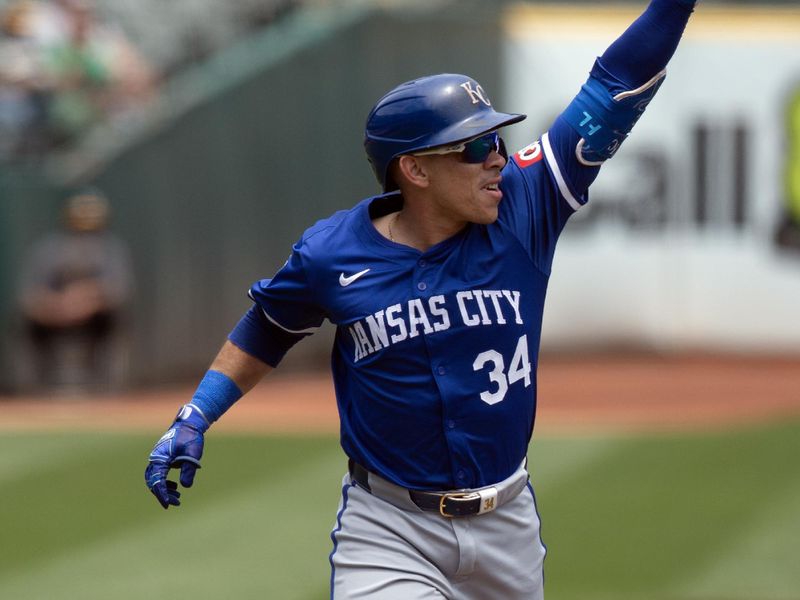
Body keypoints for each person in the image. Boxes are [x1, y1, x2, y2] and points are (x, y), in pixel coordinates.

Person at [144, 1, 698, 597]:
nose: (496, 158)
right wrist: (195, 415)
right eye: (471, 145)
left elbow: (616, 85)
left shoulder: (528, 204)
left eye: (496, 138)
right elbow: (268, 328)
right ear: (414, 168)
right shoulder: (332, 255)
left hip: (508, 525)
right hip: (388, 528)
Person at [18, 188, 134, 392]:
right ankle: (35, 391)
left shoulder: (111, 248)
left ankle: (109, 389)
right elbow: (30, 297)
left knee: (115, 318)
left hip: (97, 315)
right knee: (28, 324)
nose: (86, 219)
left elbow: (118, 291)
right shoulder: (50, 248)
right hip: (53, 314)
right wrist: (60, 306)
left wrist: (85, 301)